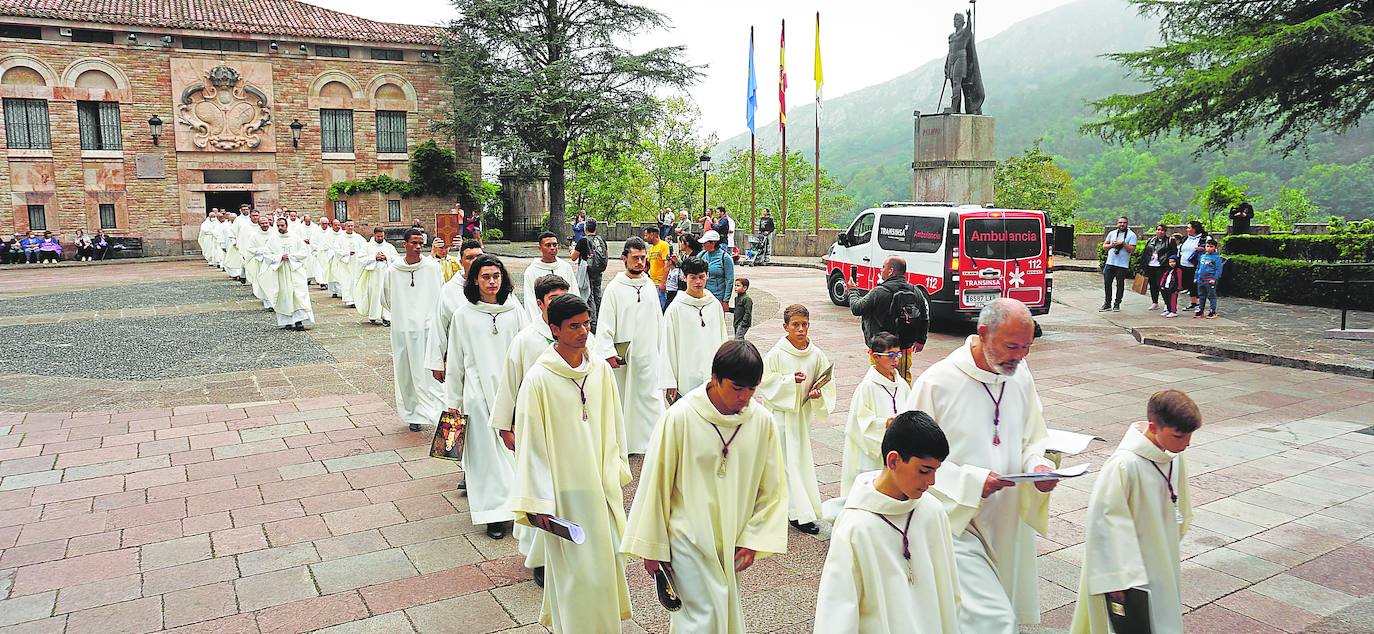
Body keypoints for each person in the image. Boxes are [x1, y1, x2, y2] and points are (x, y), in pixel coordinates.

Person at [906, 298, 1056, 634]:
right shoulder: (937, 383)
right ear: (983, 333)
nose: (1019, 356)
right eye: (1011, 345)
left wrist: (1039, 466)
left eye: (1027, 347)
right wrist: (971, 482)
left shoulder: (1020, 375)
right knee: (992, 619)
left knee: (995, 615)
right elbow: (908, 459)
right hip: (957, 523)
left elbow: (1033, 434)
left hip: (1006, 521)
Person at [623, 340, 788, 633]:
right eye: (737, 388)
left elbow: (773, 487)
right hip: (687, 537)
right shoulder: (680, 417)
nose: (745, 397)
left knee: (722, 611)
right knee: (700, 618)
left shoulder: (762, 423)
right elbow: (656, 483)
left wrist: (754, 538)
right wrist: (652, 546)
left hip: (731, 538)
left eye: (752, 389)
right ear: (715, 378)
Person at [511, 294, 631, 633]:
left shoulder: (601, 371)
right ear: (554, 329)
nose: (583, 331)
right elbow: (531, 443)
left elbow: (615, 423)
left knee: (606, 567)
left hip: (601, 484)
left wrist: (616, 467)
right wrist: (537, 500)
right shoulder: (539, 379)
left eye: (586, 324)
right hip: (564, 490)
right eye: (574, 325)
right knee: (574, 574)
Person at [814, 410, 959, 634]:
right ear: (893, 460)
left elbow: (950, 594)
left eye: (935, 471)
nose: (931, 481)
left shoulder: (933, 511)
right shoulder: (855, 527)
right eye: (924, 471)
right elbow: (837, 612)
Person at [1070, 390, 1200, 634]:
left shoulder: (1173, 455)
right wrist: (1117, 577)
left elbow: (1178, 503)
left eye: (1190, 436)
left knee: (1162, 616)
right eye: (1179, 436)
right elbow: (1105, 523)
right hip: (1130, 565)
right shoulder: (1124, 464)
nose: (1186, 443)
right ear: (1154, 427)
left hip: (1161, 554)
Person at [491, 274, 570, 586]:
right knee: (539, 492)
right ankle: (540, 559)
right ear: (540, 304)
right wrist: (504, 425)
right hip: (534, 431)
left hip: (569, 431)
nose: (562, 305)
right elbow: (509, 382)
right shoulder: (527, 340)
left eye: (565, 297)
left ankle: (565, 547)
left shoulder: (579, 337)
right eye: (554, 300)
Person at [444, 254, 528, 539]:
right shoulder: (463, 315)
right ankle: (492, 515)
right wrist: (452, 404)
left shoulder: (515, 311)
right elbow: (455, 362)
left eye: (496, 276)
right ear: (475, 281)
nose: (492, 282)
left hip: (512, 393)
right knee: (486, 460)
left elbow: (527, 353)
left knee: (512, 455)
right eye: (485, 277)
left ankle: (516, 509)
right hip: (478, 396)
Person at [756, 304, 835, 534]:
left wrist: (816, 394)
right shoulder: (776, 354)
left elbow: (825, 381)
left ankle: (797, 511)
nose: (801, 329)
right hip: (781, 418)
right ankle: (796, 514)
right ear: (785, 327)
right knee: (786, 466)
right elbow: (766, 384)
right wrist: (790, 382)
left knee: (797, 464)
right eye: (795, 325)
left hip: (800, 417)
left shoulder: (816, 353)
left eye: (804, 324)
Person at [593, 237, 672, 456]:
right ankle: (626, 442)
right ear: (624, 258)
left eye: (642, 258)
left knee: (651, 397)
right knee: (624, 398)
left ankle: (653, 441)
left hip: (649, 355)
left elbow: (659, 320)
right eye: (635, 258)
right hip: (624, 357)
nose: (639, 262)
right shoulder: (614, 289)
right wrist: (608, 352)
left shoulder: (648, 285)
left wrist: (661, 351)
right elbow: (605, 324)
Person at [835, 332, 911, 507]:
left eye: (898, 354)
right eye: (890, 355)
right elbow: (860, 423)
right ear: (875, 357)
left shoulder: (902, 384)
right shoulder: (867, 387)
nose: (896, 360)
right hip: (872, 451)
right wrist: (885, 423)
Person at [382, 229, 446, 433]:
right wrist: (404, 315)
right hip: (402, 329)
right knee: (406, 372)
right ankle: (413, 414)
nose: (418, 247)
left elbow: (442, 295)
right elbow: (386, 299)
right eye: (414, 243)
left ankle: (439, 414)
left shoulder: (432, 268)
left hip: (428, 329)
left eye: (421, 243)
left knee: (431, 373)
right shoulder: (393, 270)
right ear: (405, 244)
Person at [847, 256, 929, 381]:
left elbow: (857, 308)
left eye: (883, 267)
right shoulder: (916, 291)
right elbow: (924, 317)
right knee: (903, 380)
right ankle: (904, 400)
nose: (881, 270)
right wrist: (921, 340)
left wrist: (853, 290)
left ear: (891, 271)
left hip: (882, 350)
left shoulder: (878, 292)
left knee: (881, 380)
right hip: (904, 349)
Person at [661, 256, 730, 401]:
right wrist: (670, 380)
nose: (698, 282)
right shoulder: (675, 308)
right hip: (685, 373)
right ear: (684, 277)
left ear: (707, 276)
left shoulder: (714, 305)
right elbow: (667, 345)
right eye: (693, 277)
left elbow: (723, 339)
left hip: (712, 373)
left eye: (701, 277)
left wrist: (725, 370)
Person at [426, 239, 484, 386]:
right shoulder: (449, 290)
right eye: (469, 258)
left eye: (479, 257)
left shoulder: (497, 286)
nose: (475, 262)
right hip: (461, 355)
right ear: (461, 261)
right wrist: (437, 361)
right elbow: (439, 326)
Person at [265, 217, 313, 331]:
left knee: (298, 295)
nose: (280, 228)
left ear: (287, 225)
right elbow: (267, 254)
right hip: (281, 271)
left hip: (295, 270)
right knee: (284, 295)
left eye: (282, 225)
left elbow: (303, 252)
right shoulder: (272, 239)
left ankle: (298, 321)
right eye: (278, 226)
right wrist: (279, 257)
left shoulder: (295, 238)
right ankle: (286, 321)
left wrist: (290, 257)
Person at [522, 232, 580, 323]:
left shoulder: (565, 267)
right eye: (548, 245)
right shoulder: (531, 271)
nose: (552, 248)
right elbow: (530, 301)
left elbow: (574, 292)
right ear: (540, 248)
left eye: (554, 245)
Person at [355, 228, 398, 325]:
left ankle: (386, 317)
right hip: (373, 275)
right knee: (374, 295)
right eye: (378, 236)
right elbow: (360, 259)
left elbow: (397, 258)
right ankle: (373, 315)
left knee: (386, 294)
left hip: (386, 275)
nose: (380, 238)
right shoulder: (367, 246)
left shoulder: (389, 246)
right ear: (374, 235)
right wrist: (374, 257)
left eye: (382, 236)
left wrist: (386, 257)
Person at [573, 219, 609, 325]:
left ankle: (592, 321)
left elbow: (573, 257)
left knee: (589, 295)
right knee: (598, 294)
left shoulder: (583, 241)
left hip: (587, 270)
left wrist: (572, 250)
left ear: (585, 228)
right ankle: (601, 317)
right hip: (598, 270)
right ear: (595, 228)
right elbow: (605, 254)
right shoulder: (600, 239)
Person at [1100, 216, 1137, 312]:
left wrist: (1123, 244)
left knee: (1120, 284)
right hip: (1110, 262)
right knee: (1107, 283)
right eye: (1120, 222)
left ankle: (1117, 304)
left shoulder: (1131, 235)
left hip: (1122, 264)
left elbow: (1132, 250)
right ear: (1117, 223)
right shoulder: (1112, 233)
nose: (1122, 224)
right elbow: (1104, 246)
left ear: (1127, 224)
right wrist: (1112, 245)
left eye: (1124, 222)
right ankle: (1107, 303)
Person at [1142, 223, 1176, 312]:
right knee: (1153, 285)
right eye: (1158, 230)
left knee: (1163, 285)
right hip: (1151, 266)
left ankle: (1166, 303)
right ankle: (1154, 302)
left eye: (1162, 230)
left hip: (1162, 266)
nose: (1160, 232)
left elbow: (1174, 254)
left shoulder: (1170, 241)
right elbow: (1145, 253)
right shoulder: (1151, 240)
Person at [699, 230, 735, 312]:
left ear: (713, 243)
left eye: (705, 242)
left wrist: (726, 300)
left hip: (718, 297)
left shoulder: (725, 257)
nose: (703, 244)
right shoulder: (702, 255)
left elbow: (729, 280)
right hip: (703, 296)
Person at [334, 222, 368, 307]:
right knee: (347, 281)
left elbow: (365, 248)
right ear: (345, 227)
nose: (350, 227)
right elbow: (337, 250)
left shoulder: (358, 237)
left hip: (356, 263)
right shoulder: (340, 238)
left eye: (351, 226)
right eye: (348, 226)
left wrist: (358, 254)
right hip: (346, 264)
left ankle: (357, 299)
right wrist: (347, 253)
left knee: (356, 280)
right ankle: (349, 300)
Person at [1178, 220, 1207, 313]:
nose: (1187, 230)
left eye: (1189, 228)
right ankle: (1193, 302)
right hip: (1184, 265)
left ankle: (1199, 304)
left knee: (1197, 284)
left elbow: (1212, 248)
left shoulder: (1204, 238)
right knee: (1189, 284)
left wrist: (1203, 249)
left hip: (1196, 265)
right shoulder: (1186, 238)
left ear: (1195, 229)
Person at [1193, 237, 1224, 319]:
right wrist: (1196, 276)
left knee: (1211, 296)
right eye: (1207, 246)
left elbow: (1218, 269)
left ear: (1215, 248)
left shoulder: (1217, 258)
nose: (1209, 248)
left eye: (1211, 246)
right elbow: (1198, 267)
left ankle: (1212, 311)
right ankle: (1201, 310)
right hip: (1201, 279)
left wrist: (1214, 278)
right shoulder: (1202, 256)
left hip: (1210, 280)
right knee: (1201, 295)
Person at [644, 226, 671, 308]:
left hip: (660, 284)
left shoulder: (664, 245)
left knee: (660, 308)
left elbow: (667, 264)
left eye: (646, 235)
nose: (645, 238)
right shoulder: (651, 248)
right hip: (652, 282)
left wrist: (663, 282)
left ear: (652, 234)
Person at [1159, 254, 1184, 318]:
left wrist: (1178, 288)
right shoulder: (1168, 270)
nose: (1172, 263)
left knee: (1173, 300)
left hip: (1174, 288)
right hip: (1167, 287)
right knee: (1167, 299)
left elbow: (1179, 279)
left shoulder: (1178, 270)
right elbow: (1164, 277)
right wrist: (1162, 285)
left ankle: (1173, 311)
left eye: (1173, 262)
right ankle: (1168, 310)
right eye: (1170, 262)